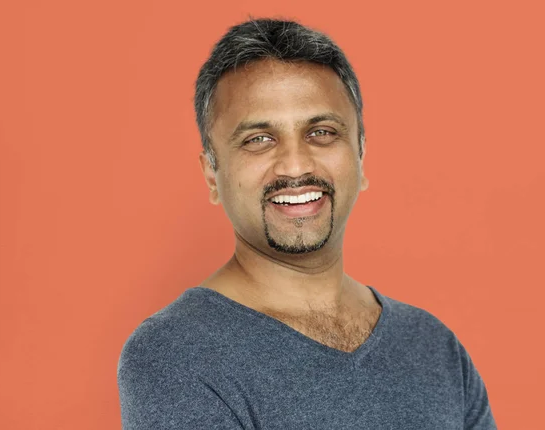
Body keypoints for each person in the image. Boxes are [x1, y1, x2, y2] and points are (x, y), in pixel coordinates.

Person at [117, 18, 497, 429]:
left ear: (361, 156)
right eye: (258, 139)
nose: (295, 165)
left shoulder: (433, 348)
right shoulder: (176, 354)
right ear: (212, 173)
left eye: (321, 132)